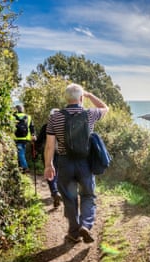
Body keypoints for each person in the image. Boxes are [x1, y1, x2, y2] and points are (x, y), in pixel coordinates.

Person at [44, 83, 109, 244]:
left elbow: (50, 145)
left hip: (65, 163)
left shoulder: (55, 117)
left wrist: (48, 165)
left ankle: (73, 232)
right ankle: (86, 225)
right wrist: (89, 95)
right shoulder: (90, 114)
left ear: (66, 98)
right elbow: (105, 108)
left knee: (69, 197)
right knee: (87, 195)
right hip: (85, 163)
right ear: (80, 98)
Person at [36, 108, 61, 208]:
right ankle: (58, 192)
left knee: (50, 173)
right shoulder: (63, 126)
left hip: (47, 153)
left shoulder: (46, 127)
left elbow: (39, 142)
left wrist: (35, 147)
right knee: (58, 173)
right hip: (60, 153)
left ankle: (55, 192)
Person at [14, 105, 36, 173]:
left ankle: (25, 167)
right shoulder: (28, 117)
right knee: (21, 153)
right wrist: (33, 135)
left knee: (20, 154)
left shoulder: (12, 117)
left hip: (16, 138)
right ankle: (21, 169)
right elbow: (32, 127)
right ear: (23, 109)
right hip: (25, 139)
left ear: (16, 110)